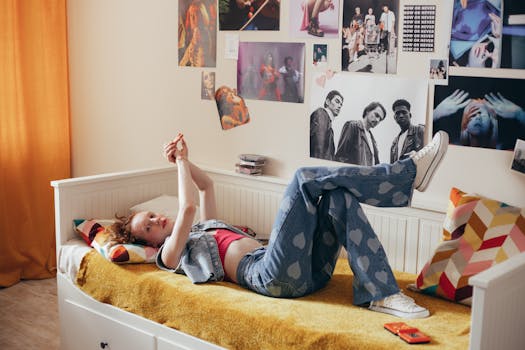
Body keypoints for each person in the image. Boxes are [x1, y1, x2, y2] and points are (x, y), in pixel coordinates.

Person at [113, 131, 449, 319]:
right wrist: (181, 162)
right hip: (269, 276)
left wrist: (181, 157)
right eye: (149, 226)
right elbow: (186, 207)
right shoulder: (171, 256)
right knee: (304, 178)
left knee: (338, 197)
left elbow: (206, 187)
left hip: (308, 272)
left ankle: (382, 293)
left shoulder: (205, 227)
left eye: (153, 215)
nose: (158, 219)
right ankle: (405, 175)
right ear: (152, 243)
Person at [433, 89, 525, 149]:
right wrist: (436, 113)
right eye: (472, 114)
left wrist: (519, 114)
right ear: (465, 125)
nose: (478, 117)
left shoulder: (507, 153)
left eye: (482, 114)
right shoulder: (448, 149)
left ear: (492, 123)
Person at [310, 90, 344, 160]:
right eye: (337, 102)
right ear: (327, 102)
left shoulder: (328, 123)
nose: (339, 106)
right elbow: (318, 147)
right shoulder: (321, 114)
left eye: (341, 104)